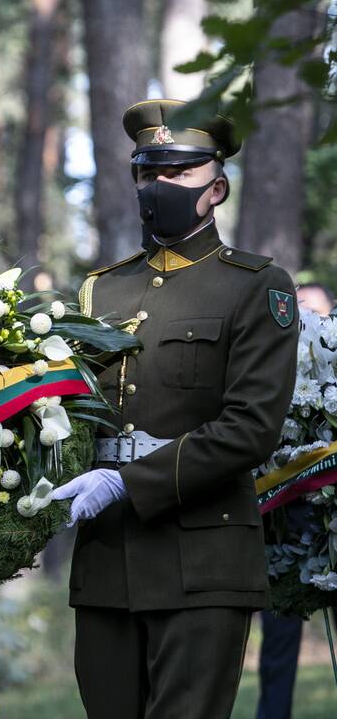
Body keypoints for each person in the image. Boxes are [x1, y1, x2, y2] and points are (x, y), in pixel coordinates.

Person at [49, 99, 299, 718]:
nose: (158, 186)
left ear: (216, 188)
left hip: (202, 560)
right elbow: (73, 412)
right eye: (147, 172)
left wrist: (125, 481)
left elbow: (251, 429)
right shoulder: (101, 289)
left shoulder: (255, 284)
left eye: (177, 173)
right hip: (107, 563)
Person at [255, 282, 334, 719]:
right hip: (282, 529)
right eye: (300, 313)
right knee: (278, 647)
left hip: (330, 526)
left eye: (317, 315)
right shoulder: (271, 373)